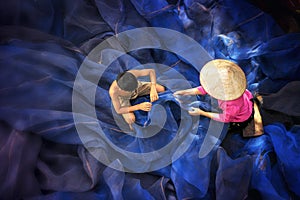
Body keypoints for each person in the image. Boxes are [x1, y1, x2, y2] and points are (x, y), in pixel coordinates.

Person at [174, 59, 263, 137]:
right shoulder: (231, 88)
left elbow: (224, 118)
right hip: (244, 101)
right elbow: (204, 89)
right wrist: (185, 92)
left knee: (219, 127)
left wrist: (202, 112)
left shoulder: (231, 105)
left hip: (239, 117)